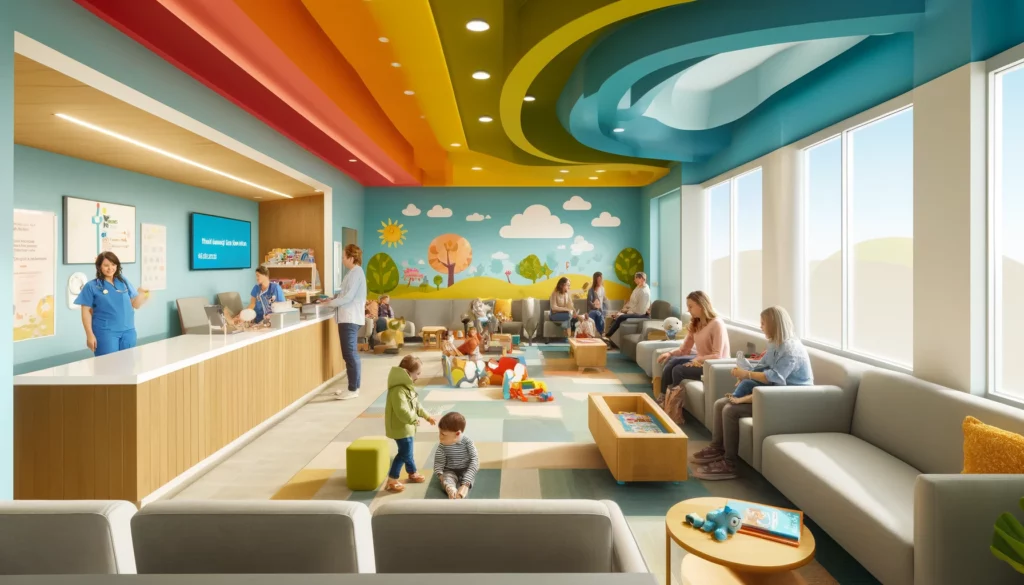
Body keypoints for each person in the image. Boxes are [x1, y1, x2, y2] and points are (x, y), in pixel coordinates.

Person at [691, 306, 812, 480]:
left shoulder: (790, 349)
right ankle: (717, 448)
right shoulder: (775, 344)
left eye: (763, 323)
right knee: (720, 404)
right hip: (774, 393)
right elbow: (762, 367)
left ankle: (729, 463)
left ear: (773, 324)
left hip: (789, 400)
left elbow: (775, 377)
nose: (761, 326)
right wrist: (745, 371)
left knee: (731, 411)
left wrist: (747, 374)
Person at [76, 252, 150, 357]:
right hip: (106, 333)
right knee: (107, 368)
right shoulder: (91, 286)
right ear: (99, 267)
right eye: (106, 265)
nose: (110, 268)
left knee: (127, 366)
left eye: (113, 264)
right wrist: (89, 335)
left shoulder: (123, 281)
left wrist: (143, 295)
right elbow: (86, 313)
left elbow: (135, 304)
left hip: (128, 331)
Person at [656, 291, 729, 397]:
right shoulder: (695, 323)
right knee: (672, 362)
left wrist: (697, 360)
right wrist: (670, 354)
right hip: (700, 361)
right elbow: (684, 350)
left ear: (701, 305)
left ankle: (673, 403)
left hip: (714, 366)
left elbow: (717, 356)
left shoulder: (717, 324)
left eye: (690, 307)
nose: (688, 310)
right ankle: (662, 398)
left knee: (678, 370)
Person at [384, 355, 436, 493]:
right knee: (404, 453)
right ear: (407, 373)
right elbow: (402, 411)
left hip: (408, 427)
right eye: (417, 373)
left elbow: (417, 405)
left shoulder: (407, 387)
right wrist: (414, 419)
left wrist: (427, 416)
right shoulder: (397, 390)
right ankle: (392, 479)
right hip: (400, 428)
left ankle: (412, 472)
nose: (419, 377)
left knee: (408, 451)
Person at [327, 244, 367, 400]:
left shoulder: (356, 273)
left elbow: (349, 297)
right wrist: (334, 300)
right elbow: (344, 295)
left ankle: (353, 389)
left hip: (349, 318)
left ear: (351, 258)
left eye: (344, 257)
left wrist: (330, 303)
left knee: (349, 354)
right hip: (347, 317)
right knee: (350, 354)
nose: (342, 260)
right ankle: (354, 387)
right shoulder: (352, 273)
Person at [433, 412, 479, 499]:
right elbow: (438, 463)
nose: (440, 437)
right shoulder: (442, 445)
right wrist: (441, 476)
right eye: (439, 432)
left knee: (470, 476)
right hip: (450, 470)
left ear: (457, 434)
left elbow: (474, 460)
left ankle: (464, 487)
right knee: (447, 478)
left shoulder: (467, 442)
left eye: (443, 434)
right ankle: (451, 490)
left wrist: (465, 482)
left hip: (465, 468)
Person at [604, 272, 651, 344]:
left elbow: (640, 310)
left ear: (641, 278)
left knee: (620, 317)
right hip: (634, 311)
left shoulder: (644, 292)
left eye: (636, 278)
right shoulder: (638, 287)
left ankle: (608, 336)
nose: (634, 280)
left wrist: (625, 312)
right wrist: (623, 310)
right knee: (614, 317)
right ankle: (611, 340)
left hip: (641, 314)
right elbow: (632, 302)